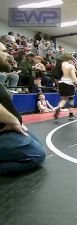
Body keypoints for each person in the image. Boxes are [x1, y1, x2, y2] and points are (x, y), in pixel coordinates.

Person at [0, 42, 46, 174]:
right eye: (4, 51)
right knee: (37, 155)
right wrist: (13, 121)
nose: (8, 55)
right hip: (4, 130)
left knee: (37, 145)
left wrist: (16, 122)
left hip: (7, 127)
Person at [53, 53, 77, 120]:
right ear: (69, 59)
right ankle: (71, 115)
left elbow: (56, 76)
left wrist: (58, 87)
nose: (72, 61)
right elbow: (74, 77)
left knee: (64, 99)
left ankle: (59, 107)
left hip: (61, 83)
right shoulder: (70, 66)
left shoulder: (60, 65)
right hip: (69, 83)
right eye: (71, 60)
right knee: (71, 99)